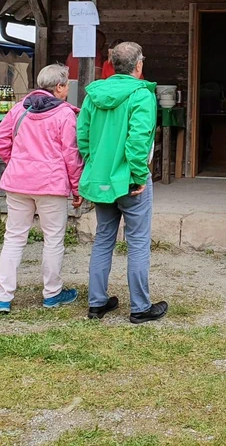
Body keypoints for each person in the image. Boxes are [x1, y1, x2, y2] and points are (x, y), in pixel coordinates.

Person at [77, 41, 166, 324]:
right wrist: (139, 176)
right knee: (137, 242)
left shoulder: (93, 94)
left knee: (103, 238)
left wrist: (95, 165)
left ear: (113, 65)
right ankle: (140, 307)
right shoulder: (142, 95)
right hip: (129, 179)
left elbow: (83, 137)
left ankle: (97, 303)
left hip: (101, 177)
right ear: (138, 65)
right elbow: (138, 142)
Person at [0, 63, 83, 314]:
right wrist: (77, 188)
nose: (68, 88)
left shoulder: (19, 108)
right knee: (53, 239)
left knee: (13, 238)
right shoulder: (65, 114)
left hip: (18, 182)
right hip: (51, 185)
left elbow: (0, 140)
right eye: (67, 84)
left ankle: (3, 297)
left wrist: (15, 162)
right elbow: (71, 155)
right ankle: (52, 293)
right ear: (59, 87)